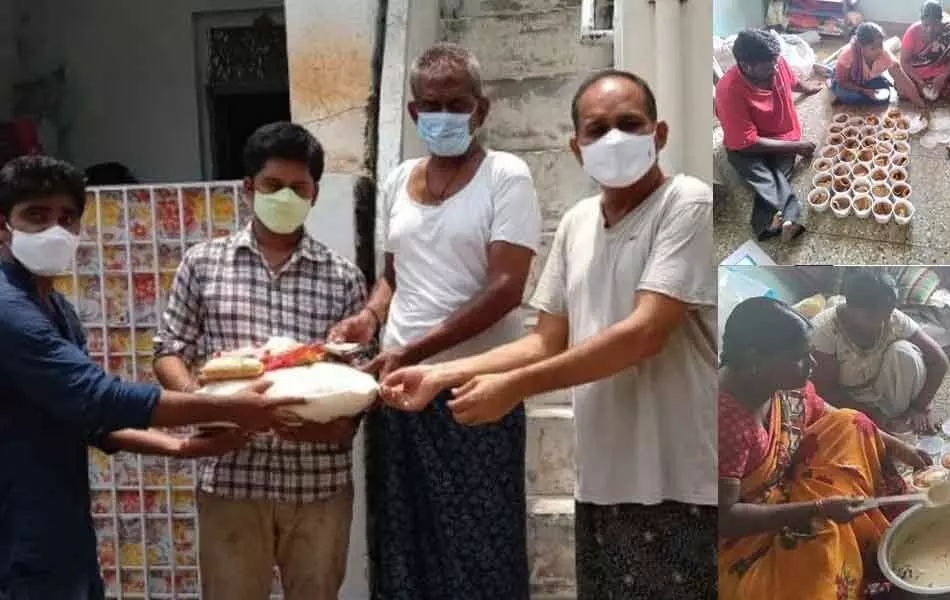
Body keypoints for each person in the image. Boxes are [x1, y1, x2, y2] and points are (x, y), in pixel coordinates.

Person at [380, 69, 718, 599]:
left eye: (630, 124)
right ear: (576, 148)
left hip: (677, 480)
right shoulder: (578, 221)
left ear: (661, 134)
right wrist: (436, 372)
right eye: (596, 128)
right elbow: (544, 339)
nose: (614, 138)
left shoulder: (688, 203)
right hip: (602, 479)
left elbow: (643, 334)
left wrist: (514, 388)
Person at [0, 155, 301, 599]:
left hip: (60, 527)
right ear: (3, 226)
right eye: (36, 217)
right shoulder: (9, 310)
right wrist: (230, 405)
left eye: (66, 218)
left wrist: (182, 448)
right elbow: (96, 397)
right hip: (17, 526)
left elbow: (90, 422)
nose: (54, 231)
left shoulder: (55, 308)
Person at [326, 42, 542, 599]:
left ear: (480, 109)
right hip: (399, 390)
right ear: (415, 112)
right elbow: (395, 273)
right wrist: (369, 318)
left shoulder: (506, 176)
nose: (443, 115)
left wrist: (414, 353)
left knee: (480, 544)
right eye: (431, 104)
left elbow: (505, 290)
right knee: (406, 539)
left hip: (475, 387)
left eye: (456, 103)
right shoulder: (399, 179)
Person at [153, 122, 367, 600]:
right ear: (249, 188)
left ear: (314, 194)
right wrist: (200, 406)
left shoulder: (344, 278)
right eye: (273, 186)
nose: (286, 197)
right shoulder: (203, 264)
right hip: (231, 475)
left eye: (298, 187)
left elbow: (358, 375)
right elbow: (168, 349)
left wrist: (340, 428)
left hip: (318, 481)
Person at [718, 297, 933, 600]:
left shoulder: (778, 384)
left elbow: (827, 413)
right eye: (799, 357)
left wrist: (898, 447)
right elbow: (724, 518)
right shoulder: (722, 422)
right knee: (822, 545)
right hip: (747, 536)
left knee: (852, 423)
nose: (812, 365)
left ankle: (863, 531)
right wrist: (817, 509)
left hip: (784, 487)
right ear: (755, 359)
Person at [716, 29, 823, 243]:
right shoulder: (729, 90)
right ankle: (788, 219)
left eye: (775, 62)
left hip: (783, 136)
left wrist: (807, 87)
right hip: (746, 147)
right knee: (762, 176)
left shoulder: (775, 62)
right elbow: (746, 142)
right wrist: (797, 147)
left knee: (780, 175)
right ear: (747, 66)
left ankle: (770, 224)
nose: (775, 68)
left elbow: (792, 81)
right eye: (768, 67)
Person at [811, 269, 949, 434]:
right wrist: (875, 416)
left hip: (884, 386)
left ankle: (905, 417)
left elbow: (939, 361)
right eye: (872, 316)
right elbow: (827, 392)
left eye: (888, 312)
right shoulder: (825, 332)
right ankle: (888, 425)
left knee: (904, 352)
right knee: (854, 435)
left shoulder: (893, 318)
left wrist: (920, 406)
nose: (882, 321)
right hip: (848, 399)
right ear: (850, 307)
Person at [832, 22, 925, 107]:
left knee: (885, 95)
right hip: (846, 81)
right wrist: (864, 91)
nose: (879, 51)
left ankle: (863, 93)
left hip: (867, 79)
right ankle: (837, 91)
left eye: (880, 45)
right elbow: (842, 81)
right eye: (873, 48)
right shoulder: (848, 55)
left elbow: (903, 79)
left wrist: (919, 103)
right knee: (855, 98)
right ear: (861, 47)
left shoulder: (884, 54)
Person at [901, 0, 950, 102]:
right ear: (921, 21)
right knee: (901, 87)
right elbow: (904, 62)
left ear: (941, 21)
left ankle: (933, 90)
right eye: (926, 25)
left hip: (941, 70)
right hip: (918, 72)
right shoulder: (912, 33)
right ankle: (941, 91)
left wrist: (943, 76)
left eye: (935, 25)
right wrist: (920, 82)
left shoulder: (948, 32)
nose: (930, 30)